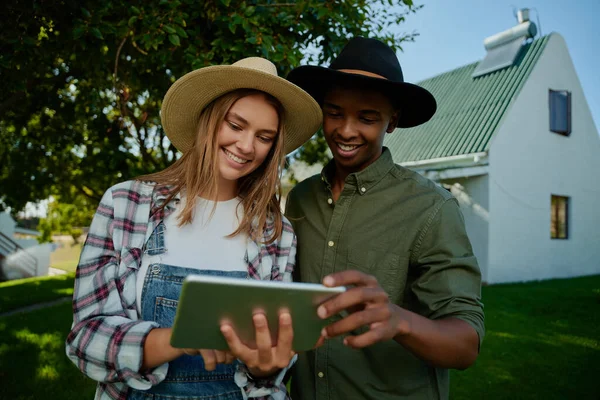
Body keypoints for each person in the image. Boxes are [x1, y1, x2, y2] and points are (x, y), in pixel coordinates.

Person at [65, 57, 322, 400]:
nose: (247, 146)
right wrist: (177, 338)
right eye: (235, 125)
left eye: (264, 137)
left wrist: (266, 363)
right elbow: (86, 338)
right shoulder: (126, 205)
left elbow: (271, 373)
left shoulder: (277, 232)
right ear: (209, 121)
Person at [285, 37, 485, 399]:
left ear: (392, 121)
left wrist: (400, 321)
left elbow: (465, 345)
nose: (346, 131)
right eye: (334, 112)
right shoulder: (300, 199)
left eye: (367, 117)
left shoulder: (431, 208)